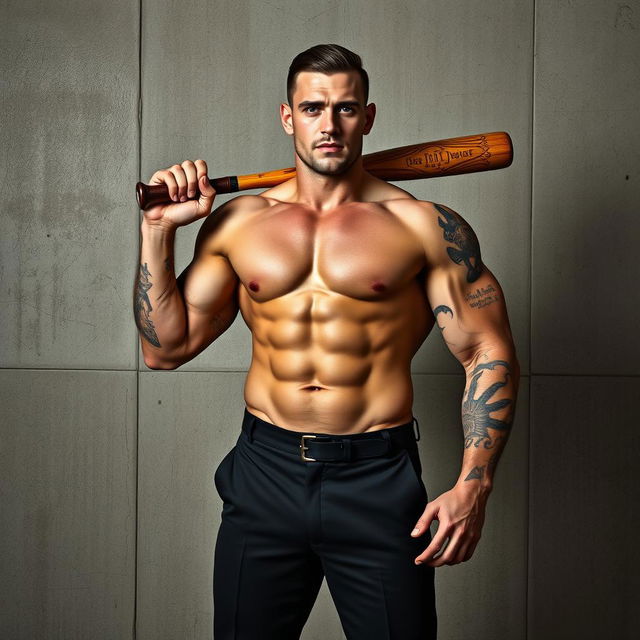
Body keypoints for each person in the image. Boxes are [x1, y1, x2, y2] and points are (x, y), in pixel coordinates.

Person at [133, 43, 520, 640]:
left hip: (377, 478)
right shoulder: (238, 223)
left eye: (345, 109)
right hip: (265, 472)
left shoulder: (424, 227)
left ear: (367, 117)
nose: (329, 124)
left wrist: (476, 482)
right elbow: (165, 348)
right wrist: (157, 234)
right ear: (288, 116)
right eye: (313, 108)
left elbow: (484, 350)